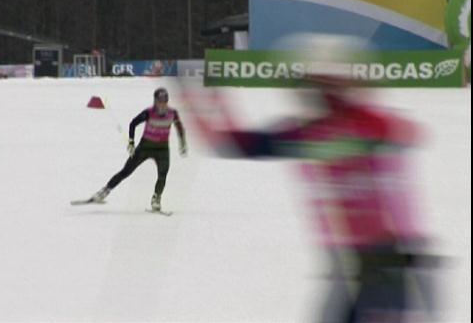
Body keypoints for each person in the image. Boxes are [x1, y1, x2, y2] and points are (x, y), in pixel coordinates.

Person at [182, 34, 436, 321]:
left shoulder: (355, 127)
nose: (310, 95)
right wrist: (201, 101)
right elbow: (230, 143)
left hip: (388, 261)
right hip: (349, 262)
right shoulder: (309, 134)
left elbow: (404, 133)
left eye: (318, 87)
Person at [90, 88, 187, 211]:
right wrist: (131, 142)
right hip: (145, 147)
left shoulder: (172, 113)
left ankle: (156, 199)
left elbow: (179, 127)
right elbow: (133, 123)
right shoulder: (149, 112)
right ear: (155, 101)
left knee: (162, 175)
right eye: (160, 101)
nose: (162, 104)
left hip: (162, 149)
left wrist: (182, 143)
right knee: (126, 171)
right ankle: (104, 192)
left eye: (164, 101)